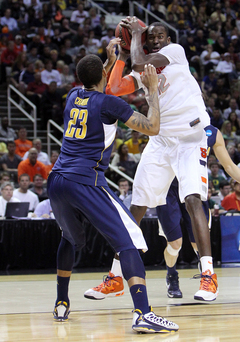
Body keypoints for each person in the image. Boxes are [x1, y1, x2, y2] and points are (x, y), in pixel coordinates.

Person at [47, 42, 179, 333]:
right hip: (86, 180)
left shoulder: (72, 96)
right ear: (104, 77)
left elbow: (95, 81)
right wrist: (153, 89)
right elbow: (153, 127)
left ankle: (61, 301)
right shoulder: (110, 104)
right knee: (131, 240)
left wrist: (111, 60)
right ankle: (143, 313)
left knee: (69, 239)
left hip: (56, 180)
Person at [102, 18, 217, 302]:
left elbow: (141, 62)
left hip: (190, 137)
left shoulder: (176, 52)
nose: (154, 39)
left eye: (158, 36)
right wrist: (121, 57)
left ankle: (208, 276)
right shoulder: (144, 68)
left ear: (167, 39)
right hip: (161, 140)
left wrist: (138, 34)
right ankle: (116, 276)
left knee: (192, 200)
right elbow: (114, 88)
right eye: (149, 36)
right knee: (137, 206)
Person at [85, 124, 240, 299]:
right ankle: (171, 274)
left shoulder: (211, 132)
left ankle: (207, 275)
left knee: (198, 244)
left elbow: (230, 166)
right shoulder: (167, 123)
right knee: (175, 244)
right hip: (168, 191)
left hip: (194, 189)